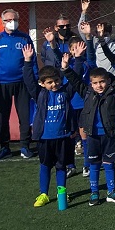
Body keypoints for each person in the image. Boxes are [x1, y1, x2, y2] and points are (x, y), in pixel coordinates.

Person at [63, 41, 115, 205]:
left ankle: (111, 191)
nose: (99, 85)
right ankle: (94, 193)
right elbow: (75, 81)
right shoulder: (86, 92)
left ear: (108, 81)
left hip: (108, 135)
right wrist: (66, 69)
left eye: (102, 82)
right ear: (91, 84)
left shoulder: (114, 92)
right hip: (92, 136)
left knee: (109, 163)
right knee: (94, 164)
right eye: (96, 83)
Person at [22, 44, 75, 207]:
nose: (54, 84)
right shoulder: (39, 94)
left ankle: (61, 192)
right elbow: (29, 81)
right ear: (42, 83)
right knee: (45, 165)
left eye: (56, 80)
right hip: (44, 138)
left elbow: (75, 79)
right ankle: (43, 194)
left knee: (61, 166)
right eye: (50, 82)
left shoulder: (65, 92)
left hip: (63, 137)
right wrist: (28, 61)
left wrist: (72, 64)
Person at [0, 8, 36, 160]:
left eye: (14, 19)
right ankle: (4, 147)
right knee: (2, 117)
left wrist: (34, 82)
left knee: (25, 116)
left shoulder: (25, 38)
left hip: (22, 83)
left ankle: (25, 146)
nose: (12, 22)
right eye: (8, 20)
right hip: (1, 84)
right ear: (2, 22)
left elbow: (33, 61)